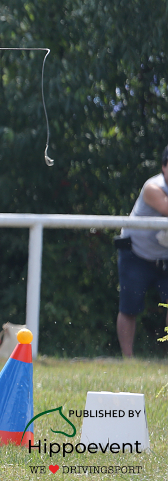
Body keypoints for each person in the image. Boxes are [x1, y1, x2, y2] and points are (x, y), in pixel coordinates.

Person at [116, 144, 168, 357]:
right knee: (129, 309)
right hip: (135, 255)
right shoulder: (152, 187)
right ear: (165, 166)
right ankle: (128, 360)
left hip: (164, 258)